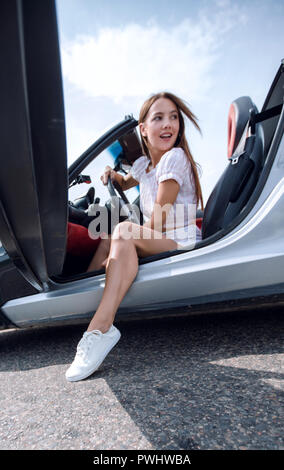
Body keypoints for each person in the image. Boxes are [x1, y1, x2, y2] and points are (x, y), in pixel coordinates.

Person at [65, 92, 203, 382]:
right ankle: (78, 303)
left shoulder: (174, 158)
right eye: (159, 118)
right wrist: (111, 175)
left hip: (182, 240)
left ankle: (100, 327)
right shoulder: (146, 167)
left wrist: (125, 240)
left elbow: (158, 223)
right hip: (163, 235)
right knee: (106, 236)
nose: (168, 124)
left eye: (174, 117)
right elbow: (126, 181)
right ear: (143, 129)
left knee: (123, 230)